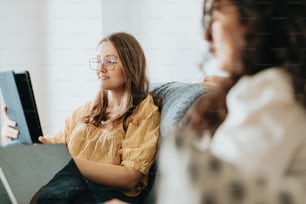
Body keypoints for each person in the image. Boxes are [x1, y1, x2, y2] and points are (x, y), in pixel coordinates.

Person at [158, 0, 306, 203]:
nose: (207, 36)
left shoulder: (273, 92)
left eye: (214, 16)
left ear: (256, 16)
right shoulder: (276, 90)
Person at [2, 32, 161, 204]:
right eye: (98, 61)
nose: (101, 69)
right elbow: (52, 145)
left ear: (131, 66)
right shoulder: (87, 110)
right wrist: (17, 133)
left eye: (110, 61)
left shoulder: (144, 111)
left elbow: (131, 176)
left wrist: (73, 163)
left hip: (107, 194)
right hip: (69, 184)